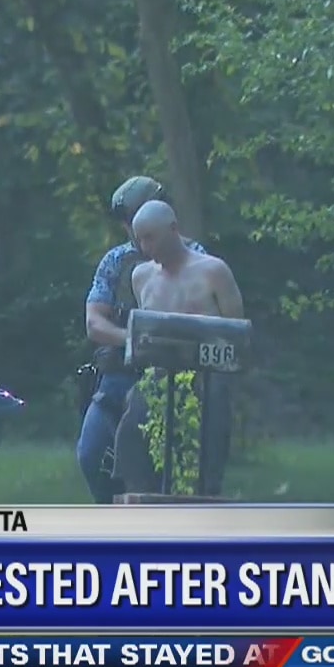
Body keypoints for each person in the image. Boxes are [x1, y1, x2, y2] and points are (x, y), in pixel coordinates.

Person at [78, 177, 205, 504]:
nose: (131, 229)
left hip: (176, 378)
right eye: (126, 222)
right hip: (119, 375)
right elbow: (94, 322)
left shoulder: (197, 258)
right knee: (91, 454)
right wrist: (134, 339)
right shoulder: (116, 261)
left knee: (165, 472)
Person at [113, 200, 244, 495]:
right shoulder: (141, 277)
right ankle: (140, 495)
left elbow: (236, 335)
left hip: (207, 376)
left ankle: (206, 494)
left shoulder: (214, 271)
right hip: (158, 376)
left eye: (151, 238)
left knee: (212, 417)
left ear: (173, 230)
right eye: (140, 239)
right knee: (133, 422)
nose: (145, 247)